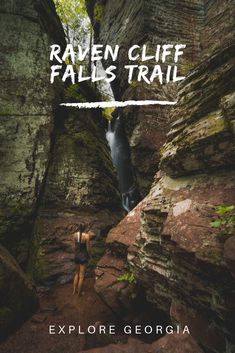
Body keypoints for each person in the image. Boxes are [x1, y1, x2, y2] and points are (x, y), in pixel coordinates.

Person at [72, 223, 91, 295]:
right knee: (81, 276)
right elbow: (88, 249)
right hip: (84, 256)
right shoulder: (87, 236)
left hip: (77, 255)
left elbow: (73, 247)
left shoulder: (74, 235)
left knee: (76, 274)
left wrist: (76, 254)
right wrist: (90, 256)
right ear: (85, 228)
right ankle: (79, 293)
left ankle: (74, 291)